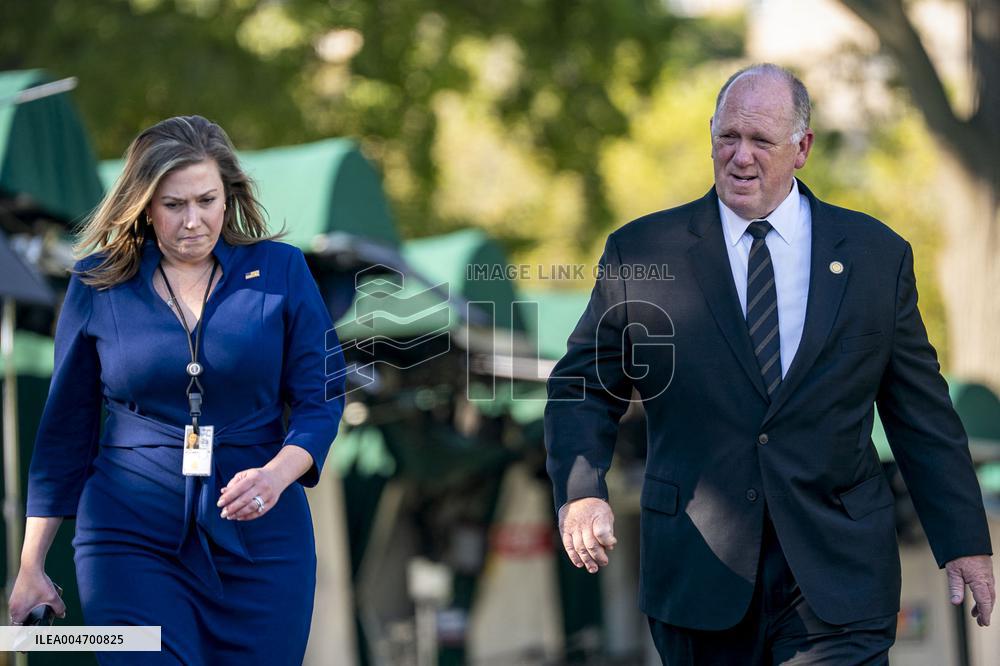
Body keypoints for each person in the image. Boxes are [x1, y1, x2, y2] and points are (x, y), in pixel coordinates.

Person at [544, 64, 995, 664]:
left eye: (761, 141)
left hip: (837, 576)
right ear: (711, 136)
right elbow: (582, 385)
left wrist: (964, 540)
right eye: (728, 137)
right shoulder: (643, 252)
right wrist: (581, 491)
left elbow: (921, 413)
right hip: (700, 570)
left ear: (802, 148)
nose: (741, 157)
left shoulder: (874, 256)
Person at [8, 115, 346, 664]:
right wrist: (30, 566)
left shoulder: (282, 270)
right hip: (129, 539)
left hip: (262, 538)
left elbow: (323, 396)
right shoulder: (97, 283)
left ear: (228, 196)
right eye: (173, 205)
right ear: (144, 204)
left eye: (207, 201)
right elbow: (64, 431)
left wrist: (277, 474)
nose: (194, 221)